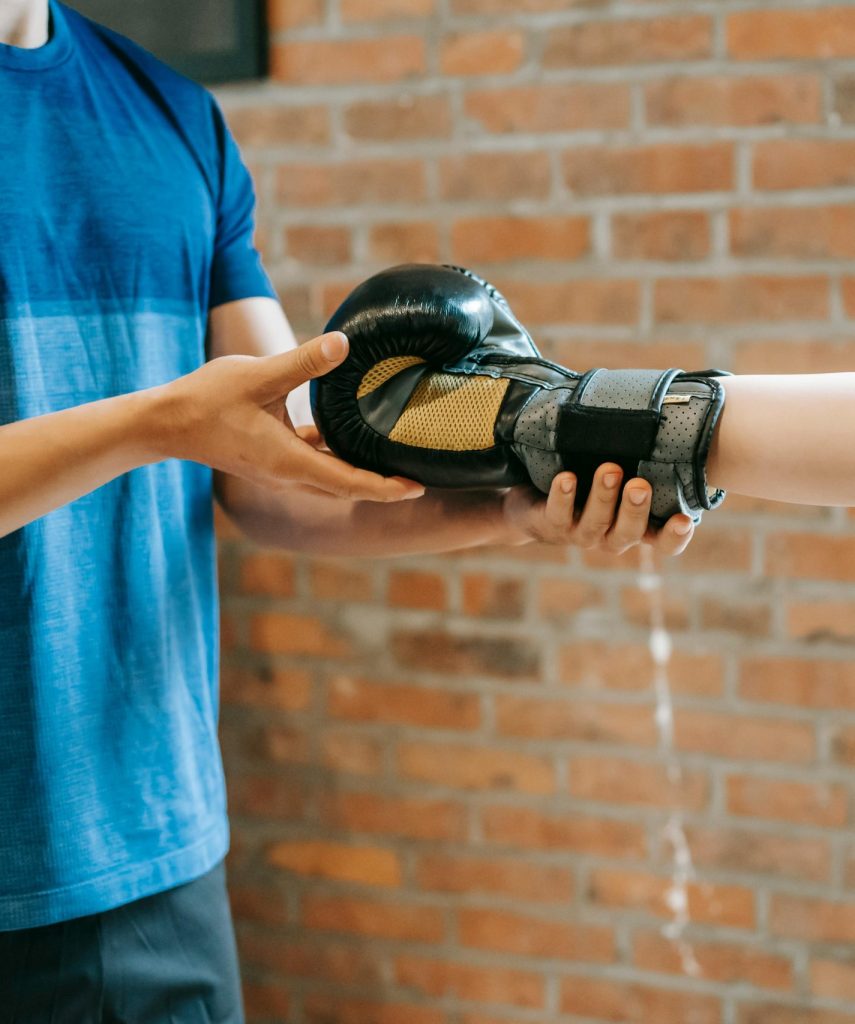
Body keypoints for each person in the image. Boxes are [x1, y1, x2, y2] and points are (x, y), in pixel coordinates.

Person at [0, 2, 693, 1020]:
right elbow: (187, 425)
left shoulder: (173, 117)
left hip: (152, 850)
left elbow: (275, 467)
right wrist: (154, 423)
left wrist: (515, 510)